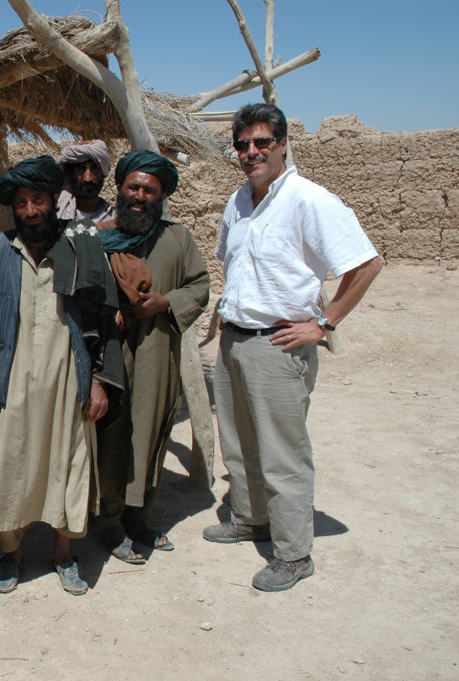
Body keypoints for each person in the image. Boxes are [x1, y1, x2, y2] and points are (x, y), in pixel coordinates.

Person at [204, 103, 382, 591]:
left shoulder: (310, 200)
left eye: (262, 142)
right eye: (243, 144)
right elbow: (233, 265)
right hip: (235, 339)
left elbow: (365, 264)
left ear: (283, 145)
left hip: (278, 347)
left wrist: (324, 323)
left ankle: (293, 553)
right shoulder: (237, 202)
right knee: (239, 443)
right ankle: (251, 518)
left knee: (283, 453)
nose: (251, 152)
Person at [0, 156, 117, 597]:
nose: (31, 210)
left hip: (67, 378)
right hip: (10, 380)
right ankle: (11, 555)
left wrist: (97, 380)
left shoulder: (81, 243)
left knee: (67, 465)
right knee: (8, 465)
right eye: (22, 202)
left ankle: (63, 554)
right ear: (12, 207)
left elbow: (102, 317)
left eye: (38, 199)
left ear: (56, 200)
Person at [94, 150, 210, 563]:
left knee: (152, 432)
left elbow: (200, 286)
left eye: (150, 189)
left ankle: (138, 516)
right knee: (112, 436)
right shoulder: (99, 238)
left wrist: (166, 302)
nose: (140, 195)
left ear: (161, 196)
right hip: (111, 354)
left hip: (159, 354)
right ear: (120, 189)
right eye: (133, 187)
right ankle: (108, 521)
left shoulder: (177, 237)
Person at [57, 139, 117, 223]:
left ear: (103, 173)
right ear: (71, 174)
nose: (88, 178)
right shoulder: (57, 215)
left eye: (94, 169)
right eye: (81, 169)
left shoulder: (114, 218)